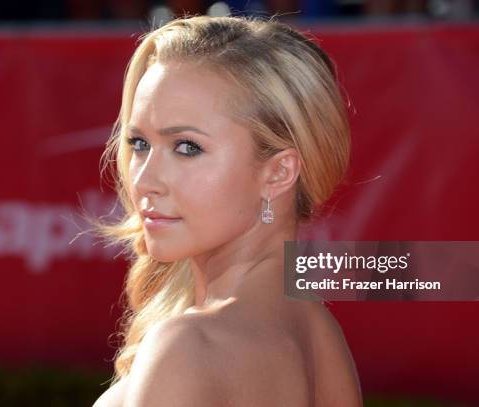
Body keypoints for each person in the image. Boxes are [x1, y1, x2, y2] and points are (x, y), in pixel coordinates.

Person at [92, 14, 362, 407]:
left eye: (187, 147)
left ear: (278, 172)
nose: (145, 179)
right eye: (138, 143)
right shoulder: (320, 336)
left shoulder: (189, 347)